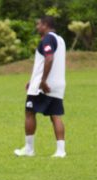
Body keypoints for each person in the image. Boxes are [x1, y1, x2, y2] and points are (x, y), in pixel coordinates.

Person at [14, 16, 67, 159]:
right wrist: (32, 80)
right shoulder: (60, 40)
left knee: (29, 112)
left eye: (39, 24)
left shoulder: (47, 39)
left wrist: (42, 81)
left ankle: (29, 149)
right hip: (58, 84)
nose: (37, 27)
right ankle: (61, 151)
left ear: (45, 25)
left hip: (44, 85)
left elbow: (49, 58)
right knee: (55, 115)